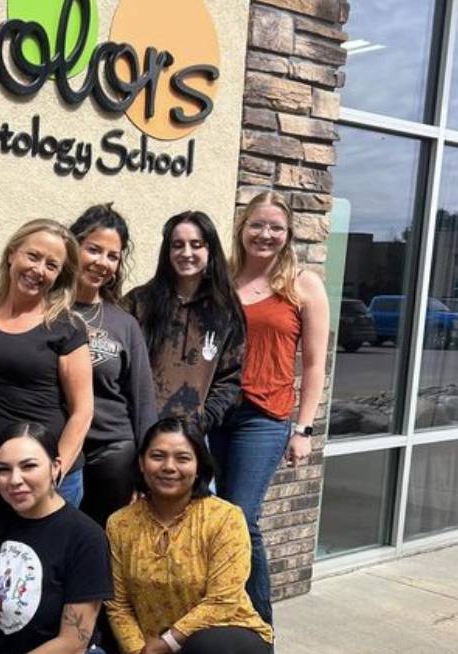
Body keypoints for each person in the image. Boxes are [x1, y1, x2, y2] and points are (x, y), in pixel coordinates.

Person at [209, 191, 329, 624]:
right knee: (209, 514)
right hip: (214, 413)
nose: (265, 234)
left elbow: (315, 364)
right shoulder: (221, 280)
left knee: (240, 518)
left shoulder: (304, 285)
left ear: (288, 233)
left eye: (275, 227)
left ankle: (259, 627)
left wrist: (304, 429)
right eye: (257, 225)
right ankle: (217, 610)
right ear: (242, 229)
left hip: (263, 417)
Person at [105, 418, 273, 654]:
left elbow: (223, 600)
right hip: (152, 648)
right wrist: (138, 651)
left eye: (182, 458)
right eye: (157, 456)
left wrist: (167, 644)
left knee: (205, 646)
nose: (169, 467)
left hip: (227, 639)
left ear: (198, 469)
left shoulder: (225, 517)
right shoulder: (120, 523)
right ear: (142, 463)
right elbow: (118, 604)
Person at [0, 219, 93, 508]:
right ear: (12, 254)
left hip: (43, 479)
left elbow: (82, 411)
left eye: (51, 265)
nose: (38, 270)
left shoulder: (66, 326)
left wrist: (55, 472)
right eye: (33, 256)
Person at [0, 422, 114, 654]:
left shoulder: (86, 538)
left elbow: (73, 641)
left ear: (55, 467)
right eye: (3, 469)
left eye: (28, 466)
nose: (14, 480)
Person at [68, 204, 157, 528]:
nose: (102, 262)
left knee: (103, 547)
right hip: (58, 451)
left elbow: (143, 402)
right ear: (73, 246)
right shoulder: (47, 312)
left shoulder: (123, 323)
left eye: (112, 256)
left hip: (112, 453)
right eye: (93, 250)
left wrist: (147, 470)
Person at [123, 211, 245, 439]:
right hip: (134, 433)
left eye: (196, 244)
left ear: (210, 250)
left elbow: (230, 378)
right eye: (177, 245)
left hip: (191, 439)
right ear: (167, 252)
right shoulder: (139, 302)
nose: (186, 253)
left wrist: (202, 420)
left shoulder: (225, 310)